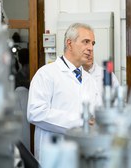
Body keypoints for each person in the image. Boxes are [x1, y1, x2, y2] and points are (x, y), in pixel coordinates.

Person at [27, 23, 102, 163]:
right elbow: (35, 112)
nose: (90, 48)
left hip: (84, 156)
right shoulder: (46, 74)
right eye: (86, 42)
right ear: (69, 43)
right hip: (54, 158)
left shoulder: (89, 80)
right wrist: (81, 121)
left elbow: (97, 115)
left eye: (92, 43)